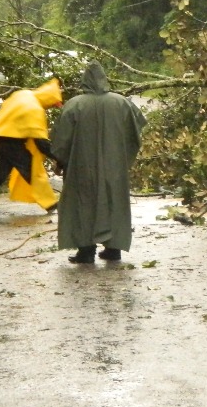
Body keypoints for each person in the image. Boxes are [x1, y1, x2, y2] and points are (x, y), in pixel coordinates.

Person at [51, 61, 146, 264]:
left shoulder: (74, 105)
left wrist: (61, 162)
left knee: (82, 205)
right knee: (114, 203)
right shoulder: (122, 103)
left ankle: (85, 251)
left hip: (81, 167)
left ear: (84, 81)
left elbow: (61, 141)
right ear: (105, 79)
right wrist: (123, 158)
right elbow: (135, 134)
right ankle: (113, 249)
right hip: (114, 167)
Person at [0, 77, 62, 219]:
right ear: (48, 100)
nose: (50, 108)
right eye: (52, 105)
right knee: (33, 172)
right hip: (12, 142)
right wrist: (59, 158)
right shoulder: (34, 109)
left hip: (0, 138)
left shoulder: (24, 94)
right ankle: (51, 204)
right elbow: (41, 143)